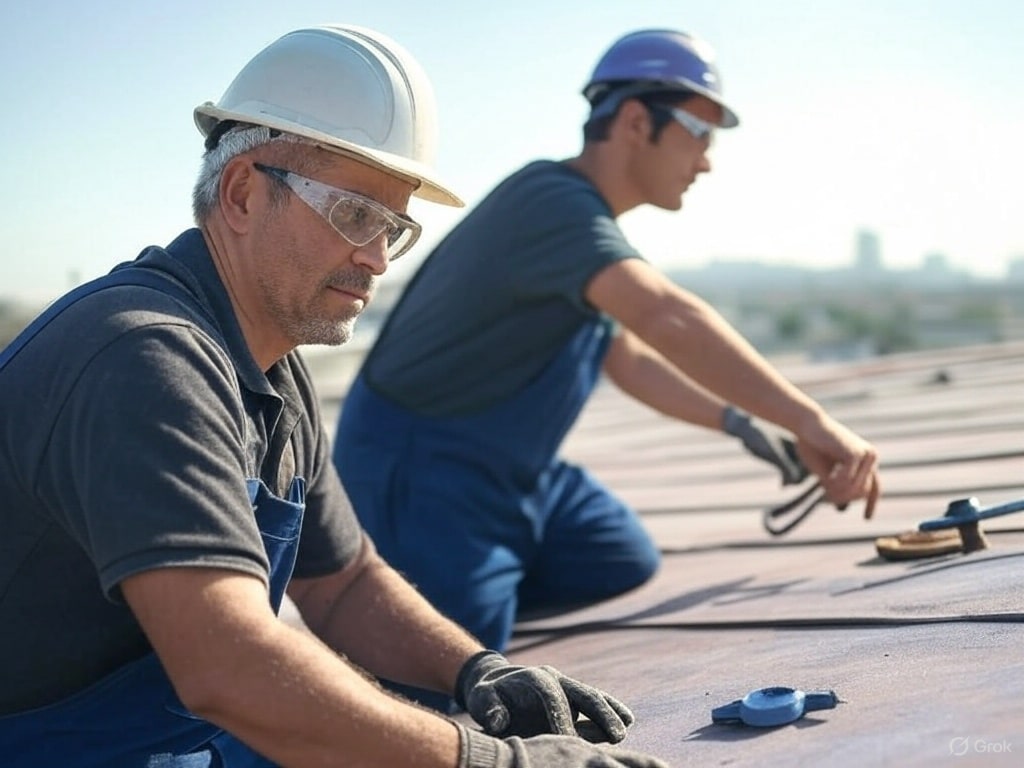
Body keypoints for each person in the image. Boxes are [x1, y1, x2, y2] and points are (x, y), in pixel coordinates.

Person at [0, 25, 672, 768]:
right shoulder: (146, 356)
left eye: (395, 226)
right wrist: (492, 761)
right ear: (243, 194)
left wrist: (477, 668)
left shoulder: (269, 369)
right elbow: (226, 668)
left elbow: (344, 581)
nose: (378, 257)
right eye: (354, 215)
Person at [333, 28, 882, 673]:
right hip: (420, 478)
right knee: (444, 677)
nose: (706, 160)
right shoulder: (550, 205)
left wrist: (743, 425)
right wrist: (812, 422)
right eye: (699, 133)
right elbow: (665, 315)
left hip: (514, 477)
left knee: (620, 555)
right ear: (632, 121)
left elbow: (627, 357)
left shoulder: (581, 237)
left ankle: (462, 590)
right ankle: (412, 606)